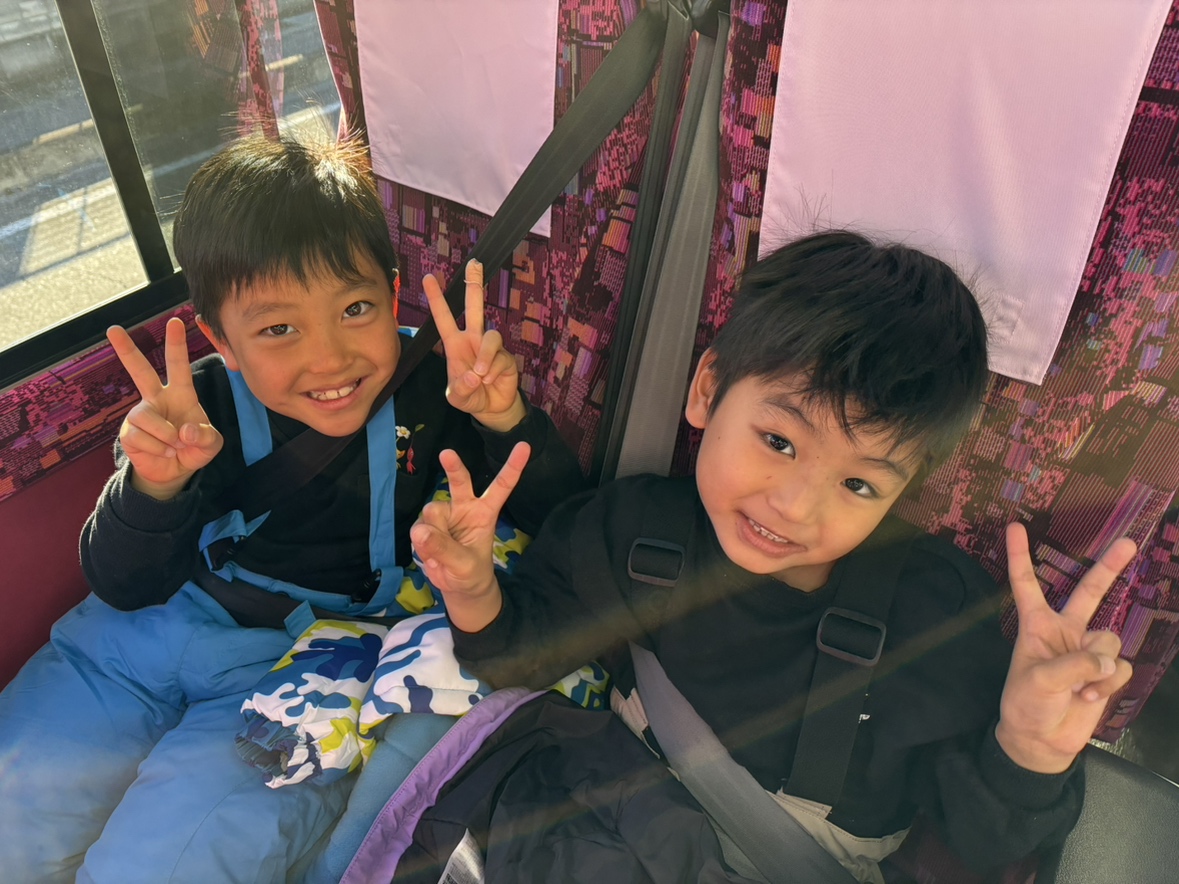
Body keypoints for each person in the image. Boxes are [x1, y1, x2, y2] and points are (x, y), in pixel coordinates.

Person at [410, 230, 1137, 882]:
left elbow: (980, 843)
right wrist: (472, 591)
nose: (795, 505)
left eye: (857, 484)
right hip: (596, 832)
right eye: (779, 442)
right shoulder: (639, 532)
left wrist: (1028, 751)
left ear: (902, 491)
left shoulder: (932, 619)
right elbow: (526, 652)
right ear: (707, 391)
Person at [0, 135, 587, 883]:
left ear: (392, 296)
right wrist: (152, 487)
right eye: (278, 328)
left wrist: (504, 419)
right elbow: (123, 584)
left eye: (355, 308)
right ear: (222, 338)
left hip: (288, 672)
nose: (329, 358)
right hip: (132, 640)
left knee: (168, 866)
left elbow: (562, 517)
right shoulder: (194, 410)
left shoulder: (436, 389)